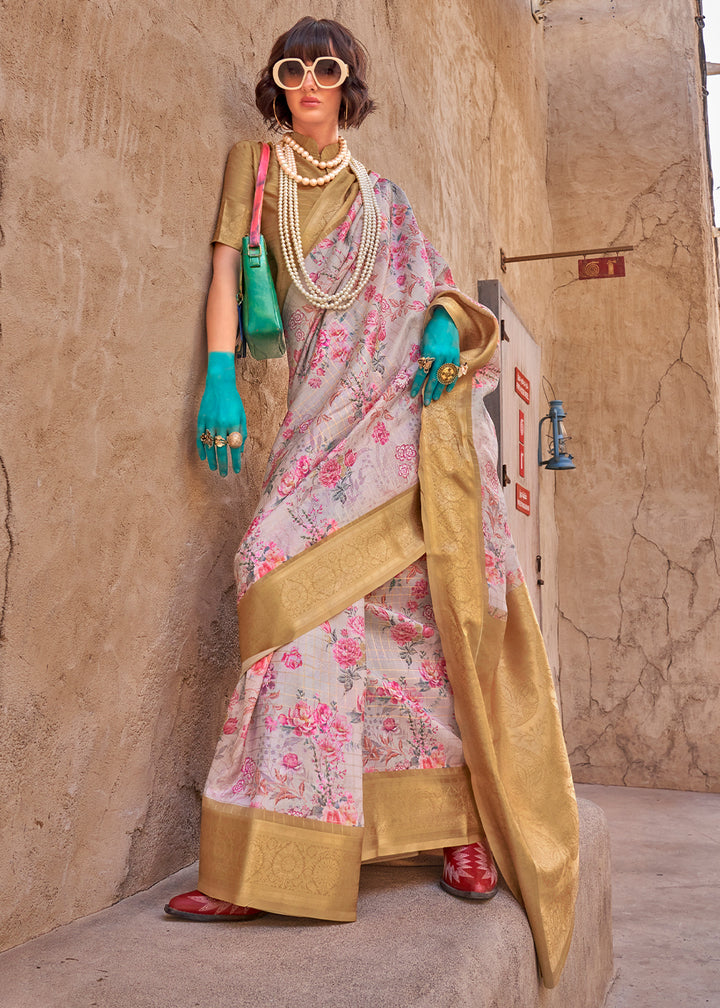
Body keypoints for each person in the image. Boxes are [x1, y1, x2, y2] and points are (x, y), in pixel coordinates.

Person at [165, 17, 579, 989]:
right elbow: (228, 262)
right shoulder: (257, 169)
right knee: (274, 571)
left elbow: (435, 291)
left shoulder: (383, 199)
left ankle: (459, 828)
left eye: (328, 69)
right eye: (293, 69)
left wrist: (443, 330)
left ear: (351, 86)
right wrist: (219, 374)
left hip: (398, 420)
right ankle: (271, 855)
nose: (309, 83)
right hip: (315, 423)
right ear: (277, 84)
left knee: (414, 616)